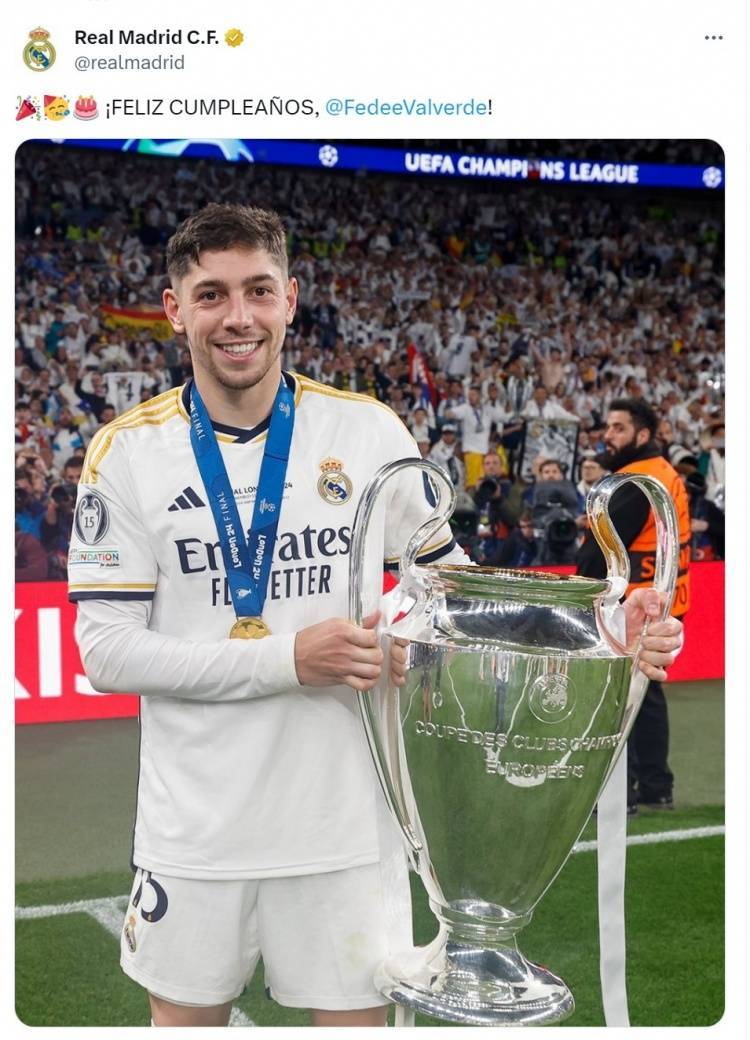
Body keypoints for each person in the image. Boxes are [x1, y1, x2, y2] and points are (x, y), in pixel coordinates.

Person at [69, 205, 684, 1028]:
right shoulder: (126, 451)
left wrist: (605, 627)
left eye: (258, 290)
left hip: (349, 831)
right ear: (175, 310)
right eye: (211, 294)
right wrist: (289, 660)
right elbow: (106, 651)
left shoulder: (365, 432)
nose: (238, 316)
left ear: (291, 299)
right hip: (196, 833)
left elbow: (458, 596)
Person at [576, 399, 691, 814]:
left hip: (632, 606)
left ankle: (619, 796)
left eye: (618, 428)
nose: (607, 435)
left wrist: (581, 590)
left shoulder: (634, 480)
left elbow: (600, 552)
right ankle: (657, 786)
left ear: (642, 435)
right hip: (666, 598)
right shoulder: (664, 470)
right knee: (647, 695)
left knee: (615, 698)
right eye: (608, 427)